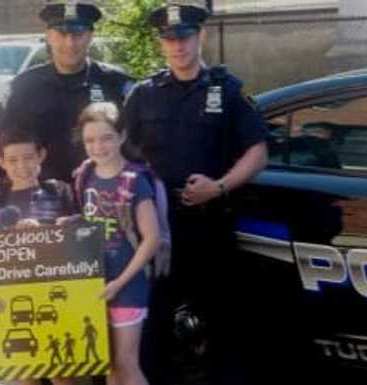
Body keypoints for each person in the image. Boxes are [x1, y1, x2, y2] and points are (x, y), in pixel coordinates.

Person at [123, 3, 268, 384]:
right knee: (154, 318)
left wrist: (217, 187)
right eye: (170, 39)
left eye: (185, 37)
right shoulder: (143, 94)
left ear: (200, 36)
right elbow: (122, 153)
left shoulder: (227, 89)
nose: (178, 46)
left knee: (222, 318)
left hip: (209, 226)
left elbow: (257, 152)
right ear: (161, 44)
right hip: (157, 230)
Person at [0, 129, 77, 385]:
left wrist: (50, 230)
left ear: (40, 156)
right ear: (0, 162)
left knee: (62, 375)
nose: (22, 166)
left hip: (58, 297)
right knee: (25, 376)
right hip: (13, 298)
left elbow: (80, 239)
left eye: (28, 157)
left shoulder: (60, 192)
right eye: (12, 160)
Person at [72, 102, 161, 385]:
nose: (98, 146)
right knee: (109, 363)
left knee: (126, 364)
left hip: (127, 285)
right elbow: (85, 223)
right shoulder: (85, 176)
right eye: (90, 140)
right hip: (95, 284)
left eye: (106, 137)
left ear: (122, 136)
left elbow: (152, 239)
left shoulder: (135, 181)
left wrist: (119, 283)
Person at [2, 0, 134, 183]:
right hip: (46, 195)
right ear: (48, 36)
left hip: (104, 191)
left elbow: (134, 143)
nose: (70, 43)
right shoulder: (25, 86)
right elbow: (9, 143)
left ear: (90, 36)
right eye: (61, 34)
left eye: (78, 34)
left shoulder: (115, 83)